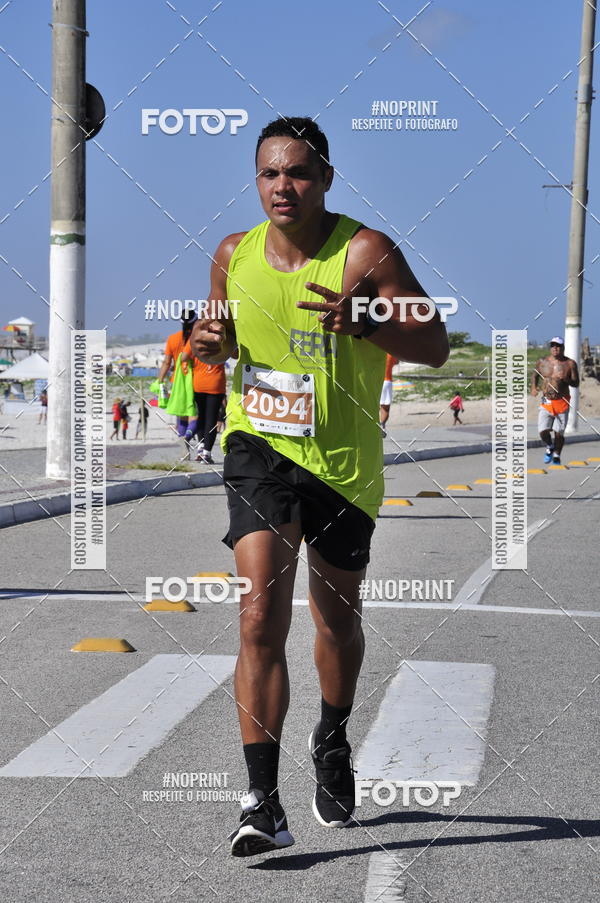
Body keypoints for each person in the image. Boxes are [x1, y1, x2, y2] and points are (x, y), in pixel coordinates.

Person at [190, 116, 449, 857]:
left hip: (341, 463)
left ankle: (332, 735)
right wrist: (213, 343)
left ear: (327, 177)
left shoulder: (366, 252)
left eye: (298, 172)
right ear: (257, 178)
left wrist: (369, 321)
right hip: (259, 447)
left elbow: (433, 345)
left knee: (335, 620)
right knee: (257, 613)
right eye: (270, 173)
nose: (283, 186)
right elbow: (225, 336)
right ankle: (261, 800)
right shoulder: (232, 255)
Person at [531, 336, 579, 464]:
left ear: (563, 348)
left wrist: (565, 379)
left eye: (558, 346)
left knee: (559, 433)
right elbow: (535, 375)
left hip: (562, 402)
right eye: (553, 346)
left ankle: (557, 455)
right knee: (542, 431)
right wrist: (534, 388)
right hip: (546, 401)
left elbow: (576, 383)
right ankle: (549, 446)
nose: (555, 348)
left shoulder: (570, 364)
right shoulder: (542, 361)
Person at [157, 310, 199, 455]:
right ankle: (187, 437)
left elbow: (167, 362)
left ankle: (183, 444)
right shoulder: (197, 339)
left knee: (182, 415)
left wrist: (160, 380)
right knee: (196, 415)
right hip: (194, 380)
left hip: (177, 381)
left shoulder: (173, 339)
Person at [180, 343, 226, 464]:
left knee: (201, 417)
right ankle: (207, 453)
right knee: (212, 419)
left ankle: (200, 448)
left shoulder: (195, 339)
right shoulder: (223, 338)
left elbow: (183, 357)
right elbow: (235, 354)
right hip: (216, 383)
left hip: (199, 383)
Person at [379, 354, 398, 435]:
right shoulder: (391, 354)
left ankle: (375, 425)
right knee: (385, 408)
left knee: (374, 406)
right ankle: (382, 424)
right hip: (387, 382)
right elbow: (397, 362)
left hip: (377, 380)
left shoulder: (377, 352)